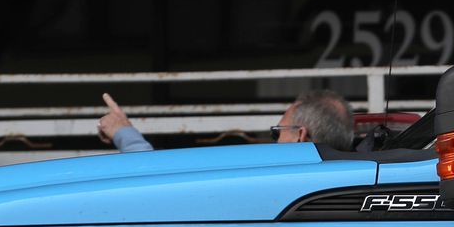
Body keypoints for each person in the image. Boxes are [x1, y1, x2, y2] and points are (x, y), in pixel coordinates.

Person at [97, 90, 356, 152]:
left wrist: (123, 132)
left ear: (300, 136)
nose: (273, 140)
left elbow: (156, 186)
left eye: (277, 132)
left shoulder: (274, 180)